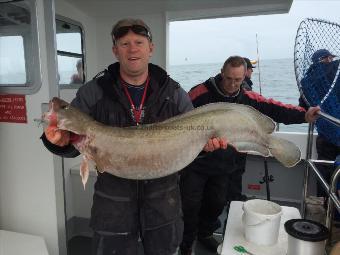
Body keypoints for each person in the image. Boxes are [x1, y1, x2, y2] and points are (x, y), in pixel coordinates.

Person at [41, 18, 226, 255]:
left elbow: (191, 142)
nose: (132, 49)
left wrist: (205, 145)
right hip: (112, 206)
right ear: (115, 50)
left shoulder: (174, 93)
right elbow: (72, 143)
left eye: (139, 42)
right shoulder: (93, 92)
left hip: (164, 203)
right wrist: (56, 140)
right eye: (124, 43)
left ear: (151, 48)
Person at [179, 56, 320, 255]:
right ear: (221, 72)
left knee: (217, 202)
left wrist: (304, 115)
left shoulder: (247, 97)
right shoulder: (200, 93)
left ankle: (205, 234)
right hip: (197, 162)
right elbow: (178, 115)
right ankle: (186, 245)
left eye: (237, 80)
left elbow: (275, 108)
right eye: (228, 78)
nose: (232, 84)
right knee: (190, 206)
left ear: (244, 76)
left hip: (227, 164)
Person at [299, 49, 340, 203]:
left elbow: (303, 107)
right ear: (327, 58)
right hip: (337, 130)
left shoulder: (307, 80)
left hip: (325, 134)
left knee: (324, 169)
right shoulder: (337, 71)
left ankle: (325, 202)